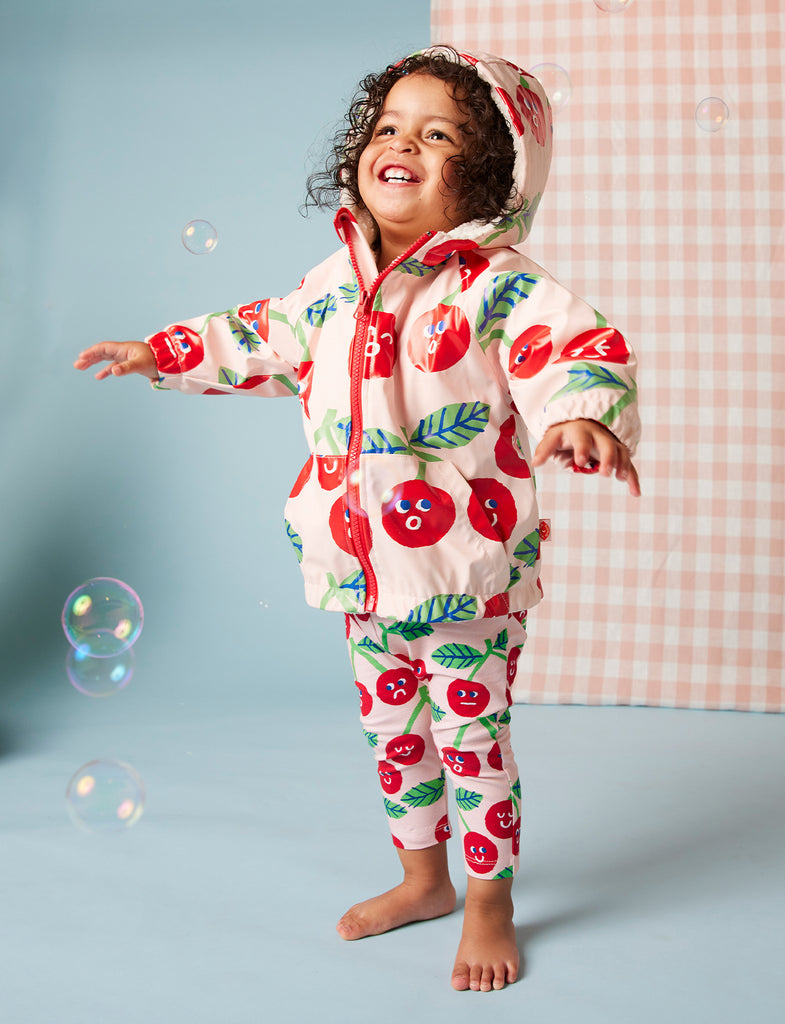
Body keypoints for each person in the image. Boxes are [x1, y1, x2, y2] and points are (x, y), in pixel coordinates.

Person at [75, 46, 641, 992]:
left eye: (437, 134)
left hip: (464, 573)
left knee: (472, 742)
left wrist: (581, 411)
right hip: (360, 572)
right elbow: (253, 334)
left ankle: (489, 900)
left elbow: (574, 346)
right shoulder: (329, 286)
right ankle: (422, 880)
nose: (402, 144)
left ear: (489, 176)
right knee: (394, 737)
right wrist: (162, 351)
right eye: (387, 127)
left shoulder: (495, 286)